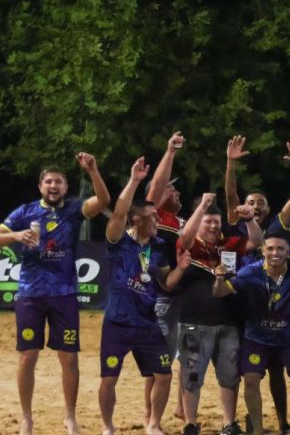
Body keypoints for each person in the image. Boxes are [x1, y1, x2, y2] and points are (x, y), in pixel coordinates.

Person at [0, 153, 111, 435]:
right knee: (27, 357)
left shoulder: (73, 209)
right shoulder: (25, 212)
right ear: (40, 186)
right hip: (31, 293)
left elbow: (103, 201)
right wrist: (15, 236)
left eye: (59, 181)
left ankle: (70, 417)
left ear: (65, 186)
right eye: (48, 181)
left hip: (64, 294)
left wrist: (93, 170)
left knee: (69, 358)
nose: (53, 185)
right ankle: (27, 419)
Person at [99, 158, 191, 435]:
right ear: (137, 219)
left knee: (164, 374)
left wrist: (181, 268)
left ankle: (153, 424)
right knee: (109, 378)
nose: (158, 221)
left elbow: (166, 284)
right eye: (153, 217)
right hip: (118, 322)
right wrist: (134, 180)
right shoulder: (119, 241)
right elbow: (119, 213)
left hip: (147, 323)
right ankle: (107, 426)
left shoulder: (158, 246)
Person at [213, 234, 290, 435]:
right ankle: (258, 430)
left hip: (289, 336)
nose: (275, 253)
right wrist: (219, 279)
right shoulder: (251, 271)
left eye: (280, 249)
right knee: (251, 380)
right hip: (257, 337)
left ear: (288, 252)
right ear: (263, 251)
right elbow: (219, 292)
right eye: (270, 248)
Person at [225, 135, 290, 434]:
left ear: (268, 209)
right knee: (244, 370)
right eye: (250, 202)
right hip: (240, 307)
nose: (255, 206)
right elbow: (230, 192)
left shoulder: (276, 228)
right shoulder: (236, 223)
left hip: (273, 310)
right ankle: (243, 420)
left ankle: (283, 421)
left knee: (276, 371)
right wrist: (231, 163)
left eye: (260, 203)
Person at [175, 194, 263, 435]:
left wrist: (249, 220)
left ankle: (229, 423)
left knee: (230, 376)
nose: (213, 226)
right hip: (194, 322)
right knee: (192, 376)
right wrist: (201, 206)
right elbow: (185, 238)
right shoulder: (189, 244)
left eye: (217, 221)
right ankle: (190, 424)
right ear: (197, 223)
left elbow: (256, 241)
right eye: (208, 221)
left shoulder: (229, 244)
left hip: (228, 323)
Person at [145, 131, 187, 421]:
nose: (177, 193)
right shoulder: (155, 215)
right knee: (160, 360)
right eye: (173, 190)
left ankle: (182, 407)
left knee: (188, 357)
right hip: (163, 297)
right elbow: (158, 184)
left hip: (186, 297)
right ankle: (149, 413)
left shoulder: (181, 222)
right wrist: (170, 152)